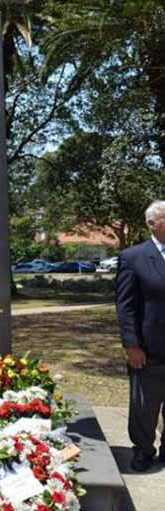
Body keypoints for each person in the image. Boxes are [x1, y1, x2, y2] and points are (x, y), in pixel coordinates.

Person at [116, 199, 165, 472]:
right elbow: (125, 305)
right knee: (144, 407)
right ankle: (144, 451)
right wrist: (131, 344)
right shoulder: (133, 257)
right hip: (148, 349)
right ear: (152, 224)